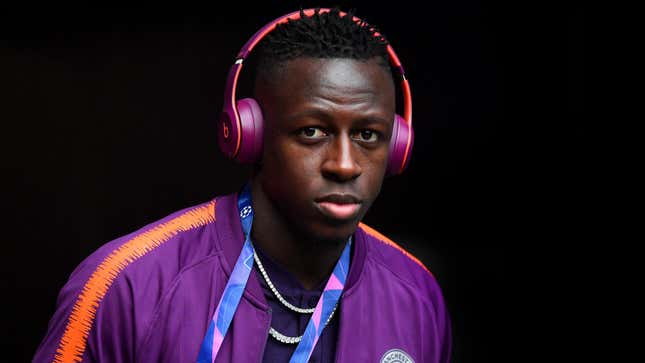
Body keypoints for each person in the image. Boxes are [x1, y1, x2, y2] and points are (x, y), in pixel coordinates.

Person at [33, 8, 452, 363]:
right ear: (249, 135)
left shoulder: (417, 297)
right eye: (311, 132)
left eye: (367, 136)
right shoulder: (127, 287)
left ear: (397, 147)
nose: (344, 165)